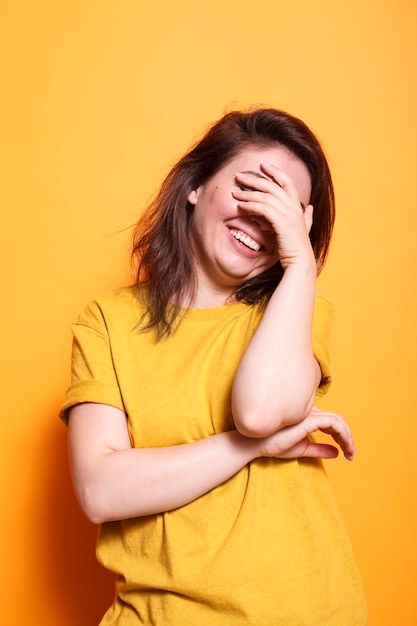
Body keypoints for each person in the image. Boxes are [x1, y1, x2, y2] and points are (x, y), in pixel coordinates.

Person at [60, 107, 367, 625]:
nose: (263, 218)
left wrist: (297, 266)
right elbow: (99, 490)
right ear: (195, 185)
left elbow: (260, 411)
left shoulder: (295, 308)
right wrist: (252, 449)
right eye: (251, 189)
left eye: (285, 209)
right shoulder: (108, 322)